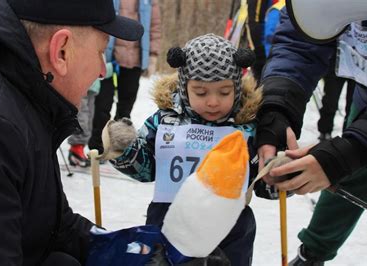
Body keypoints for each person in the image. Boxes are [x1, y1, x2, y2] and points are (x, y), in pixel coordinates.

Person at [0, 0, 143, 265]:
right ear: (61, 50)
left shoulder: (26, 95)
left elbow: (50, 226)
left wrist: (128, 250)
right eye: (100, 51)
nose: (102, 70)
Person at [103, 34, 263, 265]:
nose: (213, 102)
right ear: (184, 86)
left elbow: (263, 182)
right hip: (169, 219)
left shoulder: (248, 128)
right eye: (201, 92)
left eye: (224, 92)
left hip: (230, 227)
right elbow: (147, 170)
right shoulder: (165, 121)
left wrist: (280, 173)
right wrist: (126, 149)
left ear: (237, 88)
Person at [255, 5, 367, 266]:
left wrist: (352, 151)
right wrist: (277, 108)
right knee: (353, 164)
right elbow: (300, 41)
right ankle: (313, 253)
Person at [87, 0, 162, 155]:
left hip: (134, 59)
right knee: (102, 106)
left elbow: (154, 28)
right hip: (107, 58)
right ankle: (97, 147)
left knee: (125, 109)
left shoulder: (149, 2)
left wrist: (153, 55)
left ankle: (118, 149)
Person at [68, 63, 113, 168]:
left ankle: (78, 150)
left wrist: (110, 67)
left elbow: (102, 70)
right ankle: (76, 148)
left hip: (93, 87)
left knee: (89, 118)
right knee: (82, 116)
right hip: (82, 83)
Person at [317, 60, 355, 141]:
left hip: (357, 66)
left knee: (352, 106)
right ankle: (325, 132)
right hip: (336, 64)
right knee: (330, 101)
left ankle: (349, 135)